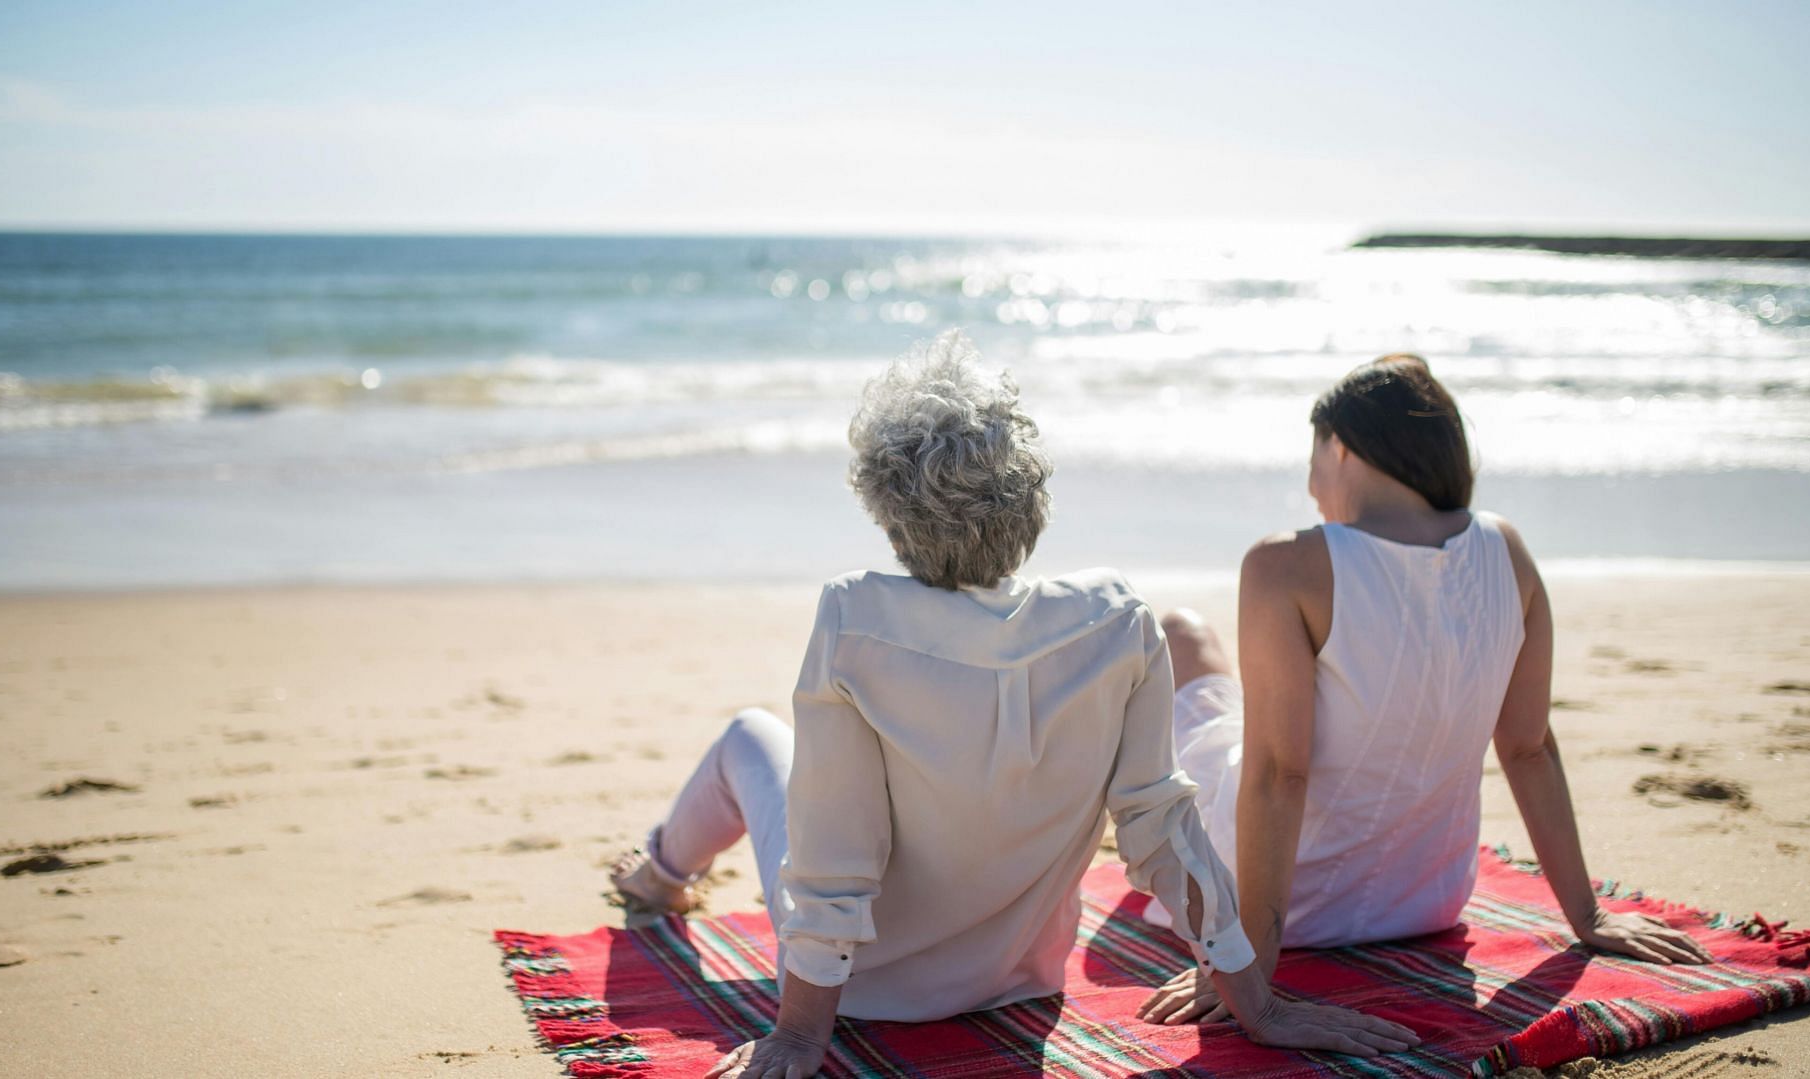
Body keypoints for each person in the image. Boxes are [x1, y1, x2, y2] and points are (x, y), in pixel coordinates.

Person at [609, 332, 1420, 1078]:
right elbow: (1164, 834)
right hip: (1022, 980)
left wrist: (800, 1033)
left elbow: (834, 856)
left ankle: (660, 876)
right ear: (1031, 495)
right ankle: (659, 874)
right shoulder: (1117, 621)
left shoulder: (856, 619)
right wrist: (1259, 1002)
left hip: (860, 991)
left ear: (891, 513)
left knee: (750, 735)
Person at [1136, 354, 1711, 1026]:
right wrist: (1586, 914)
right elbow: (1528, 747)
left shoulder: (1284, 562)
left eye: (1314, 458)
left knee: (1177, 633)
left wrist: (1252, 969)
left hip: (1276, 903)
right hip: (1426, 901)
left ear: (1341, 447)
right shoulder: (1508, 550)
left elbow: (1278, 775)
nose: (1313, 487)